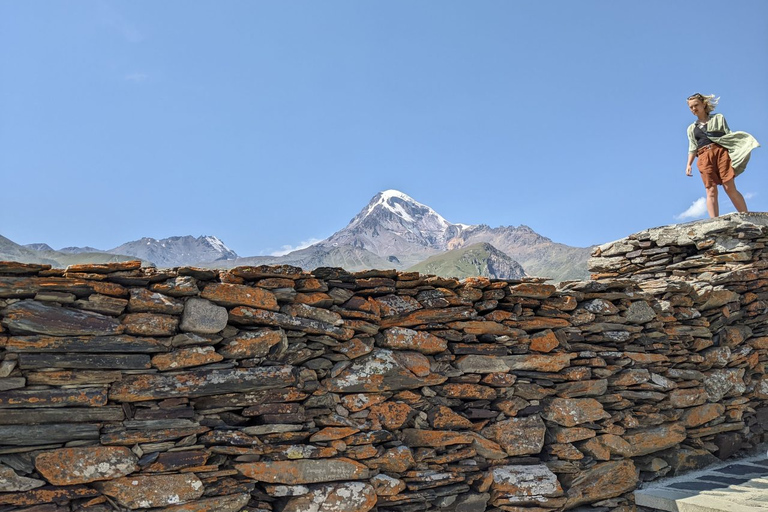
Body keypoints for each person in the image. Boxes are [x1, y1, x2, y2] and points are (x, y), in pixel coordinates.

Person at [685, 93, 760, 218]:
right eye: (691, 107)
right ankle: (714, 221)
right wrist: (688, 164)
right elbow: (692, 147)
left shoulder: (718, 118)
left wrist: (739, 148)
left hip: (720, 153)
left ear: (703, 104)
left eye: (696, 105)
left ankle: (746, 216)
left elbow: (728, 136)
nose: (694, 109)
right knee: (710, 189)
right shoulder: (691, 128)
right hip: (703, 156)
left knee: (728, 186)